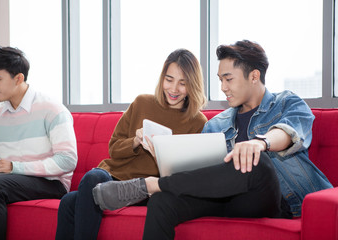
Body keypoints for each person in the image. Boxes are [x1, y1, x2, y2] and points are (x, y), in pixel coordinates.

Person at [93, 40, 333, 239]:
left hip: (274, 200)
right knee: (163, 202)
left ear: (254, 76)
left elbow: (291, 132)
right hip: (225, 199)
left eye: (228, 79)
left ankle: (149, 185)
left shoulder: (287, 103)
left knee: (255, 160)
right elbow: (200, 175)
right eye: (220, 80)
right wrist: (167, 163)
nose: (223, 87)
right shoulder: (216, 124)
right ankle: (157, 187)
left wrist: (260, 142)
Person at [55, 48, 208, 240]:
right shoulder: (142, 103)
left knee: (71, 200)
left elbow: (190, 173)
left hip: (143, 189)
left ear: (192, 85)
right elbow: (113, 148)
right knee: (80, 190)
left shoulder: (198, 122)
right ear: (162, 78)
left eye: (182, 83)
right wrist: (135, 141)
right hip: (113, 175)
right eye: (169, 80)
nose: (174, 89)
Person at [0, 47, 77, 239]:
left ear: (18, 78)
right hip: (12, 180)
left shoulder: (52, 109)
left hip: (51, 183)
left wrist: (15, 167)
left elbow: (67, 161)